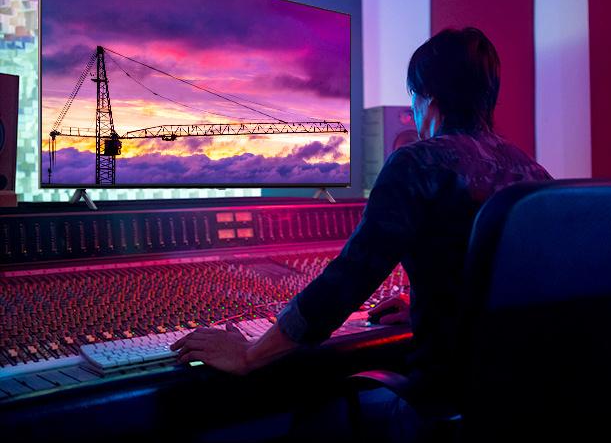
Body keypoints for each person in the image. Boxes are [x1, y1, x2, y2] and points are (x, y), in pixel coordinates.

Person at [171, 27, 552, 440]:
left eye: (413, 97)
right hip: (525, 403)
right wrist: (437, 303)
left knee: (311, 422)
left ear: (429, 98)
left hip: (443, 408)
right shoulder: (532, 172)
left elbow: (349, 280)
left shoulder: (418, 164)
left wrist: (250, 353)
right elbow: (518, 291)